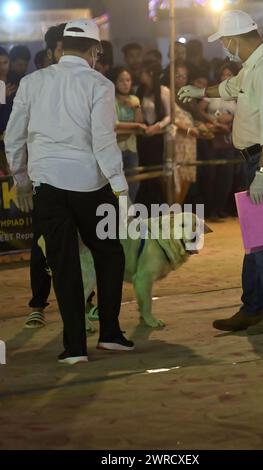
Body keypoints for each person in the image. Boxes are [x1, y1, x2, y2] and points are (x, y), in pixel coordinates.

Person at [5, 19, 134, 364]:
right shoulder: (100, 84)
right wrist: (121, 188)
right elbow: (104, 141)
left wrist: (21, 182)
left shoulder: (32, 83)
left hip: (47, 186)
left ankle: (74, 347)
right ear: (95, 50)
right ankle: (110, 333)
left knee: (63, 264)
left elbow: (14, 137)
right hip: (92, 186)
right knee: (110, 254)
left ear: (61, 47)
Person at [179, 10, 263, 335]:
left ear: (233, 39)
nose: (225, 49)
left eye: (224, 42)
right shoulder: (256, 66)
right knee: (255, 238)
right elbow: (230, 87)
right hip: (262, 156)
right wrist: (200, 91)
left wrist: (262, 171)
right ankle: (254, 307)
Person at [23, 24, 67, 330]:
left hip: (83, 181)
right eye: (63, 48)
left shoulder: (92, 83)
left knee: (85, 244)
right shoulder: (32, 84)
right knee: (42, 245)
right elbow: (18, 134)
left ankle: (87, 302)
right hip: (45, 179)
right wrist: (21, 179)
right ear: (50, 52)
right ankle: (38, 304)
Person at [198, 63, 238, 219]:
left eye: (229, 74)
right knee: (211, 174)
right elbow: (200, 110)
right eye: (224, 74)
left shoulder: (238, 94)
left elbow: (244, 112)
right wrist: (213, 121)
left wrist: (232, 119)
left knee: (227, 175)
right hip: (212, 137)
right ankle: (210, 209)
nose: (226, 77)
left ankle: (221, 207)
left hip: (229, 137)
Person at [136, 62, 171, 208]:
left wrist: (157, 127)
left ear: (150, 74)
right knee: (143, 168)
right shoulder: (140, 91)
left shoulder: (163, 91)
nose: (140, 76)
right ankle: (144, 205)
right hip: (143, 136)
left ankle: (156, 205)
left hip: (157, 136)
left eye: (143, 72)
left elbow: (170, 116)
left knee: (155, 170)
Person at [111, 66, 146, 202]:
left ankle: (128, 214)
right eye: (121, 80)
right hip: (115, 148)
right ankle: (120, 214)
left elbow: (141, 124)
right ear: (114, 82)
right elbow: (115, 124)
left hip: (131, 147)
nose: (125, 83)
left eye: (128, 80)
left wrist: (136, 107)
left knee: (134, 182)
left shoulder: (134, 99)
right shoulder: (111, 100)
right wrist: (135, 126)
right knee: (117, 183)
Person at [173, 62, 199, 204]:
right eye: (178, 76)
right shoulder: (167, 94)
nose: (181, 79)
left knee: (188, 176)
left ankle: (178, 210)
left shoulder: (188, 95)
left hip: (190, 141)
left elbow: (196, 116)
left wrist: (204, 126)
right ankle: (173, 214)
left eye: (184, 76)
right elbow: (171, 118)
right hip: (177, 140)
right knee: (177, 177)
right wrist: (188, 130)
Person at [0, 47, 17, 175]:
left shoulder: (15, 80)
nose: (2, 67)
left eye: (5, 62)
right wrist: (2, 96)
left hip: (14, 135)